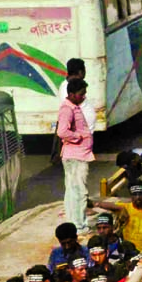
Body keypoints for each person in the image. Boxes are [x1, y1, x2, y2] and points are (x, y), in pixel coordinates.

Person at [56, 78, 94, 234]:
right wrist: (78, 137)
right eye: (81, 94)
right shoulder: (67, 109)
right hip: (76, 156)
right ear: (71, 94)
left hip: (77, 155)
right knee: (79, 191)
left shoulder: (73, 107)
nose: (83, 97)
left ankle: (74, 222)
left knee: (72, 190)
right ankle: (79, 225)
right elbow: (62, 132)